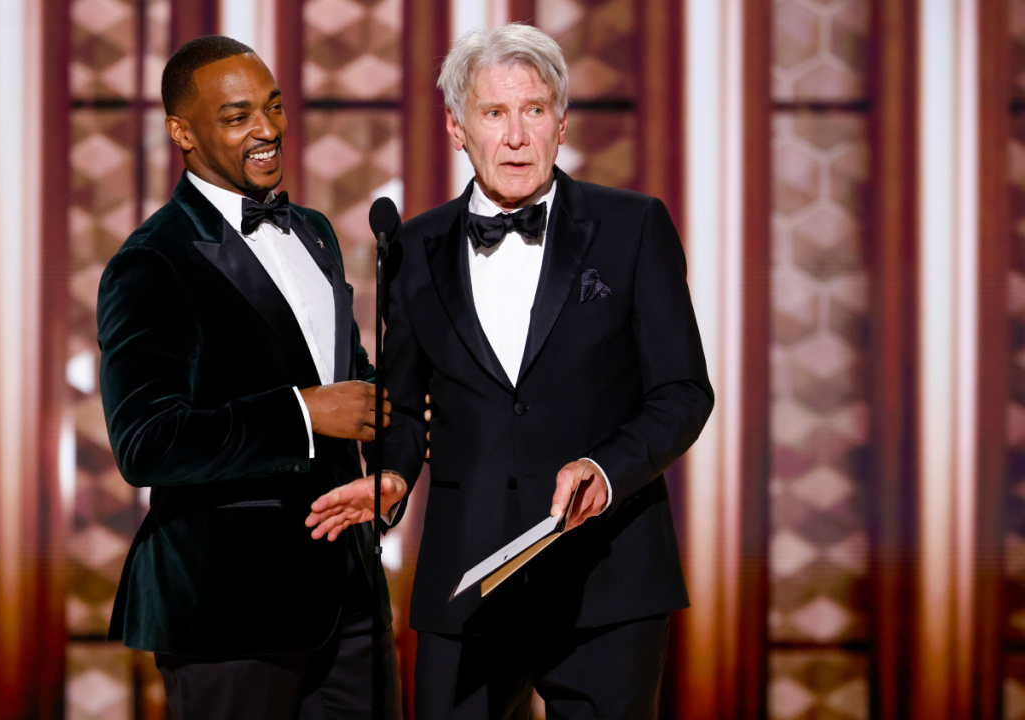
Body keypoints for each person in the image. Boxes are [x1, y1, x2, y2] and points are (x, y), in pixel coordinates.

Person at [314, 23, 713, 719]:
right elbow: (405, 410)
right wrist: (393, 474)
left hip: (609, 581)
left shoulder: (634, 226)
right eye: (494, 114)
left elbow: (683, 391)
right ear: (456, 127)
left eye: (533, 111)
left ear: (561, 123)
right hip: (465, 582)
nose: (516, 135)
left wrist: (607, 468)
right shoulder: (411, 247)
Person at [96, 35, 400, 719]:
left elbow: (345, 381)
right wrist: (301, 413)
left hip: (351, 595)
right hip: (225, 609)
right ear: (183, 134)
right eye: (237, 117)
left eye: (273, 107)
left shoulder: (315, 232)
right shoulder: (152, 262)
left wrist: (394, 459)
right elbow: (146, 442)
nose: (267, 130)